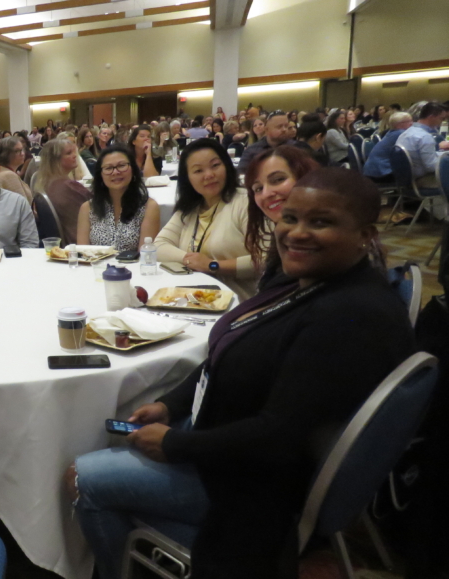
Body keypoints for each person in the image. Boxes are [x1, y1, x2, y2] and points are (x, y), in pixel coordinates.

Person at [68, 167, 415, 579]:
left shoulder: (348, 317)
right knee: (120, 437)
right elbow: (228, 355)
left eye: (321, 222)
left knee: (83, 477)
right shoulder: (308, 282)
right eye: (290, 218)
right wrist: (170, 403)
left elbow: (278, 435)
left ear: (365, 234)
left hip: (253, 487)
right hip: (233, 445)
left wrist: (177, 445)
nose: (297, 232)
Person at [155, 139, 256, 299]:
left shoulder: (246, 202)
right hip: (196, 297)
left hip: (240, 301)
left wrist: (212, 265)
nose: (209, 175)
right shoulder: (190, 208)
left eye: (215, 165)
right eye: (198, 171)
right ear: (187, 178)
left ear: (227, 166)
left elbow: (264, 260)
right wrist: (191, 260)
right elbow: (159, 246)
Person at [244, 145, 320, 290]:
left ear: (306, 177)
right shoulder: (281, 237)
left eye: (278, 180)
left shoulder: (323, 243)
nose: (266, 194)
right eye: (258, 188)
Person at [76, 146, 160, 252]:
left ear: (133, 170)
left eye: (122, 166)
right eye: (108, 168)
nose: (115, 172)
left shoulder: (148, 207)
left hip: (133, 267)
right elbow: (83, 253)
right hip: (95, 267)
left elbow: (146, 256)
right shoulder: (87, 208)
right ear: (100, 175)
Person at [33, 139, 92, 244]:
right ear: (55, 160)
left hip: (67, 241)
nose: (75, 155)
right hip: (81, 242)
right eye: (69, 153)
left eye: (74, 152)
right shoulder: (69, 186)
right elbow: (98, 207)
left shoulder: (45, 184)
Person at [396, 102, 449, 188]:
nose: (443, 122)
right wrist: (445, 160)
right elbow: (431, 167)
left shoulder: (407, 132)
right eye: (441, 118)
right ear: (431, 117)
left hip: (408, 178)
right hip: (424, 179)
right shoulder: (424, 137)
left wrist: (444, 155)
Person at [364, 111, 413, 184]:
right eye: (409, 121)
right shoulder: (401, 134)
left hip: (372, 170)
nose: (412, 123)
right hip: (382, 172)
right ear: (399, 124)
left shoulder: (392, 132)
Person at [0, 137, 33, 205]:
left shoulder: (2, 170)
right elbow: (24, 205)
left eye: (22, 150)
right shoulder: (8, 175)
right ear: (6, 154)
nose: (22, 154)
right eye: (17, 151)